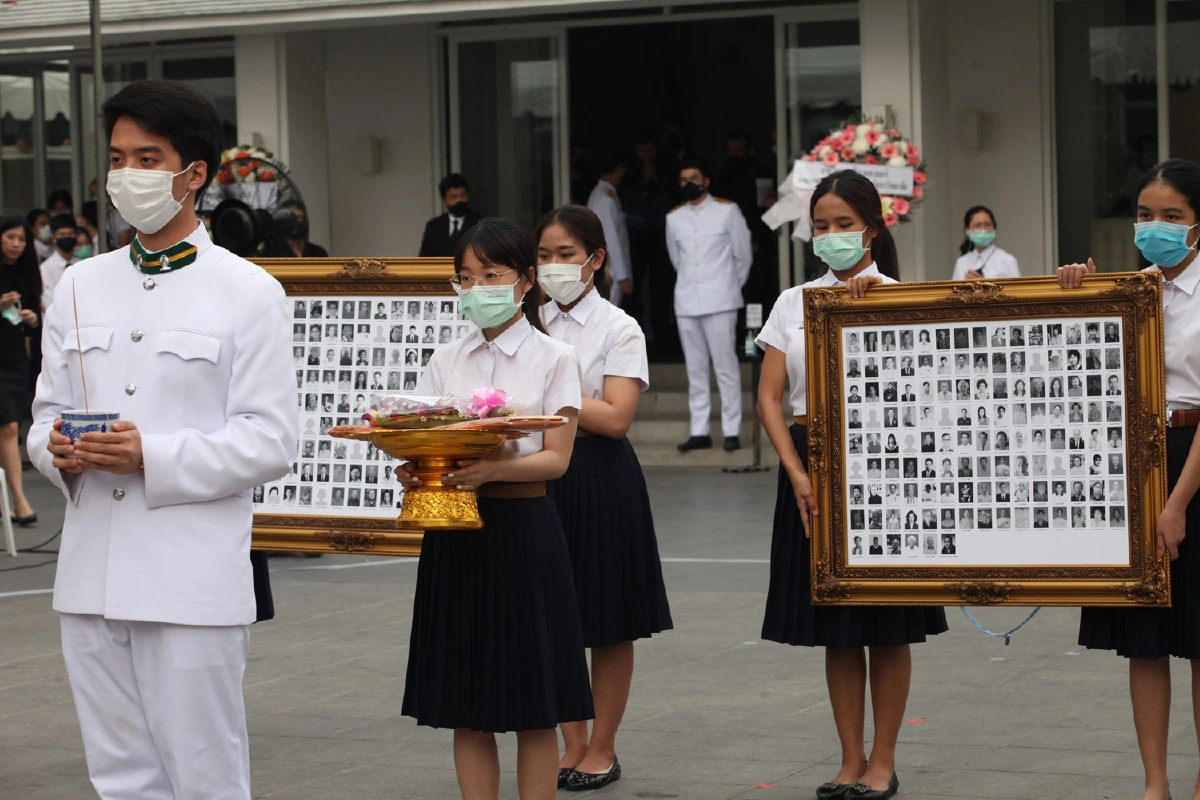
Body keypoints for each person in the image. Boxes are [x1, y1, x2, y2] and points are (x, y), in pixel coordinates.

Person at [28, 80, 298, 800]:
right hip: (90, 579)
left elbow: (271, 440)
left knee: (204, 773)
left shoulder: (247, 291)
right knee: (119, 777)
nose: (128, 175)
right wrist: (51, 450)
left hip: (190, 579)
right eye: (118, 158)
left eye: (148, 157)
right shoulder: (80, 286)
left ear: (195, 174)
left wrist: (154, 453)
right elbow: (45, 414)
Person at [757, 170, 945, 800]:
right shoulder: (793, 301)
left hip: (885, 466)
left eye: (844, 224)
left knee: (887, 623)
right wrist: (796, 471)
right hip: (810, 459)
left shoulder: (900, 297)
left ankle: (884, 761)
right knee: (834, 622)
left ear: (872, 227)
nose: (832, 237)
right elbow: (770, 398)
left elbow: (924, 397)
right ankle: (849, 758)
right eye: (821, 227)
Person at [396, 217, 593, 798]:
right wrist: (418, 466)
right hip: (456, 532)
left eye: (491, 274)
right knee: (467, 703)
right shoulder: (445, 357)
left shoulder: (554, 357)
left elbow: (556, 458)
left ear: (526, 281)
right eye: (465, 277)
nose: (477, 287)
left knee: (535, 704)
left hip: (523, 529)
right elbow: (428, 432)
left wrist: (492, 470)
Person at [1060, 158, 1200, 800]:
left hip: (1192, 461)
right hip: (1132, 467)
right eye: (1145, 215)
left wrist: (1176, 503)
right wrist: (1072, 291)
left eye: (1172, 216)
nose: (1155, 228)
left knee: (1198, 637)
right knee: (1144, 637)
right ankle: (1155, 782)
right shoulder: (1124, 290)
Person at [536, 206, 672, 790]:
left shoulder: (619, 327)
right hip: (539, 475)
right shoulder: (528, 320)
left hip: (600, 479)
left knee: (609, 620)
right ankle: (571, 741)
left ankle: (603, 745)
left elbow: (616, 418)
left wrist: (552, 397)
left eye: (566, 255)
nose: (553, 266)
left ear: (596, 259)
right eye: (543, 256)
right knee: (552, 614)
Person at [668, 156, 752, 452]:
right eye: (683, 180)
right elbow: (676, 260)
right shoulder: (673, 217)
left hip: (721, 299)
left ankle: (731, 430)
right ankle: (699, 430)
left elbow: (743, 257)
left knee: (726, 367)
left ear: (706, 181)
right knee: (695, 368)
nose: (688, 184)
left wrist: (727, 287)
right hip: (688, 300)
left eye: (693, 177)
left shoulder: (728, 211)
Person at [0, 216, 43, 524]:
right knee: (10, 427)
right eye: (10, 237)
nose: (16, 244)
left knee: (9, 426)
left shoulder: (28, 271)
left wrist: (31, 319)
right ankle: (18, 498)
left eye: (21, 239)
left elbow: (34, 319)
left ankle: (10, 499)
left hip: (15, 353)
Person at [585, 150, 633, 305]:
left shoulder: (606, 194)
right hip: (610, 274)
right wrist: (623, 276)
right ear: (619, 170)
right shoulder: (604, 199)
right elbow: (610, 239)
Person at [418, 173, 481, 257]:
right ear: (443, 201)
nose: (459, 200)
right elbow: (424, 260)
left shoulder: (480, 223)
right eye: (453, 197)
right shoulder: (433, 226)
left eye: (463, 195)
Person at [952, 205, 1020, 280]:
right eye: (977, 225)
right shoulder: (962, 262)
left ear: (994, 228)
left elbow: (1017, 290)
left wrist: (985, 287)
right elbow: (953, 290)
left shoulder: (1008, 261)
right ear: (967, 230)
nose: (983, 229)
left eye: (988, 225)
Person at [39, 213, 80, 308]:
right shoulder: (45, 268)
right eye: (62, 234)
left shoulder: (83, 264)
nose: (67, 238)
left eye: (71, 234)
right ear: (53, 238)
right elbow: (48, 300)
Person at [262, 201, 329, 257]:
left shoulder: (319, 253)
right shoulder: (272, 254)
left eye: (300, 217)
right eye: (293, 218)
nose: (298, 221)